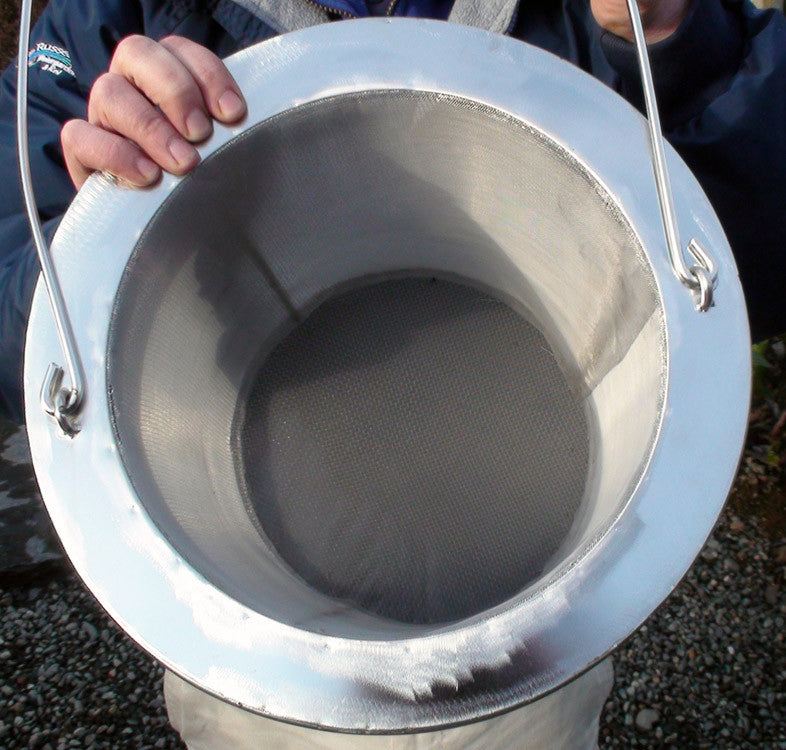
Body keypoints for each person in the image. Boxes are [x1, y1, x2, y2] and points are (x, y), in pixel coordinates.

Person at [0, 0, 784, 747]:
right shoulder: (117, 17)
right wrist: (95, 243)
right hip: (259, 675)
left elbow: (741, 263)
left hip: (529, 663)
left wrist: (673, 50)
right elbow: (20, 303)